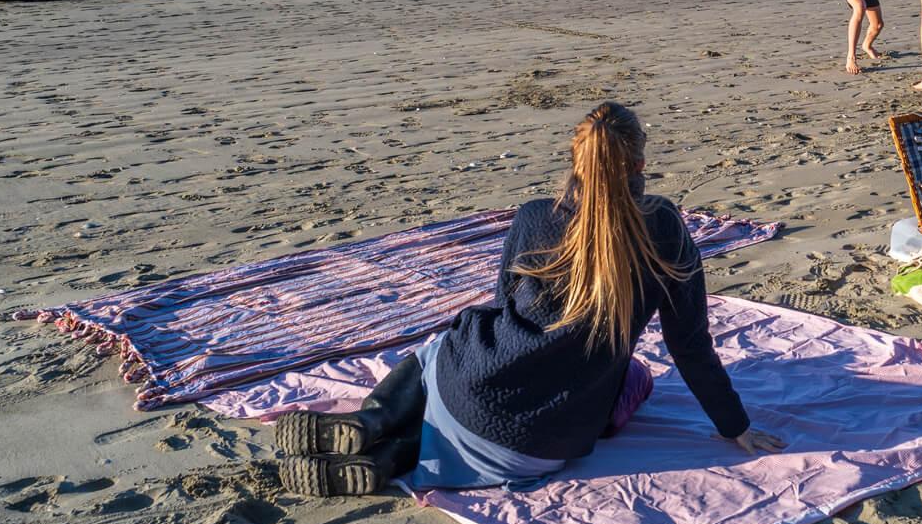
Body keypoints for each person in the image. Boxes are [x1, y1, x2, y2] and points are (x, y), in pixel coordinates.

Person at [268, 102, 786, 497]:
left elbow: (500, 308)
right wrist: (734, 426)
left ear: (575, 160)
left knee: (445, 353)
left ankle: (370, 423)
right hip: (543, 446)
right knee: (635, 379)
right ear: (640, 164)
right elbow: (689, 345)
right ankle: (385, 461)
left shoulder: (536, 216)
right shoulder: (666, 228)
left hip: (471, 389)